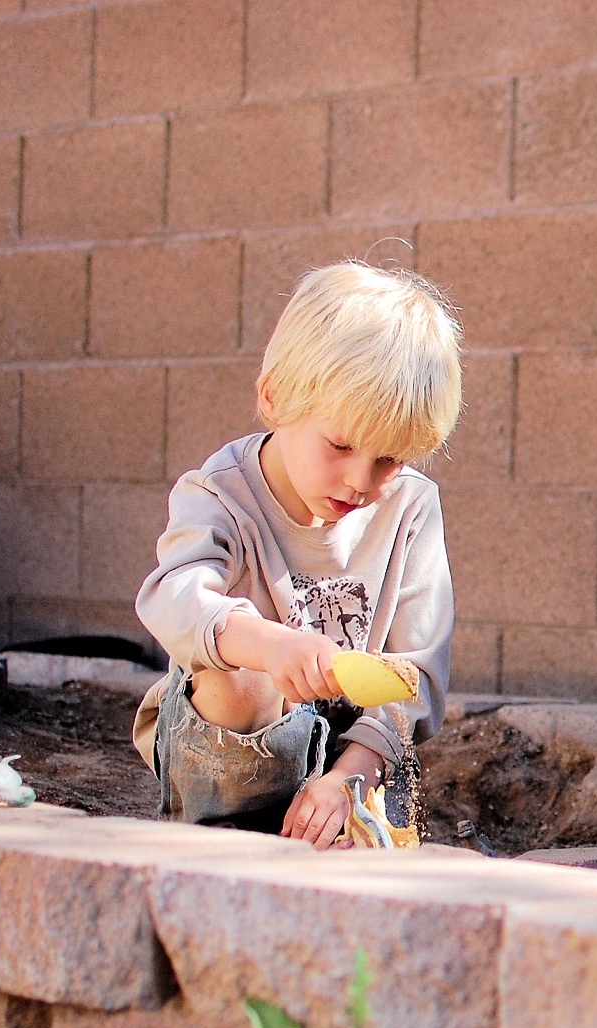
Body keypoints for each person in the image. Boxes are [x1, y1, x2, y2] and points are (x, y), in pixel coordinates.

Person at [132, 261, 459, 847]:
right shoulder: (220, 495)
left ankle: (333, 821)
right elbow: (173, 596)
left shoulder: (410, 509)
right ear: (276, 396)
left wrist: (349, 777)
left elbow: (419, 672)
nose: (361, 481)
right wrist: (270, 644)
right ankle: (225, 838)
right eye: (340, 445)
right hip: (232, 744)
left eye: (390, 460)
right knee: (242, 676)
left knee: (383, 752)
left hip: (349, 748)